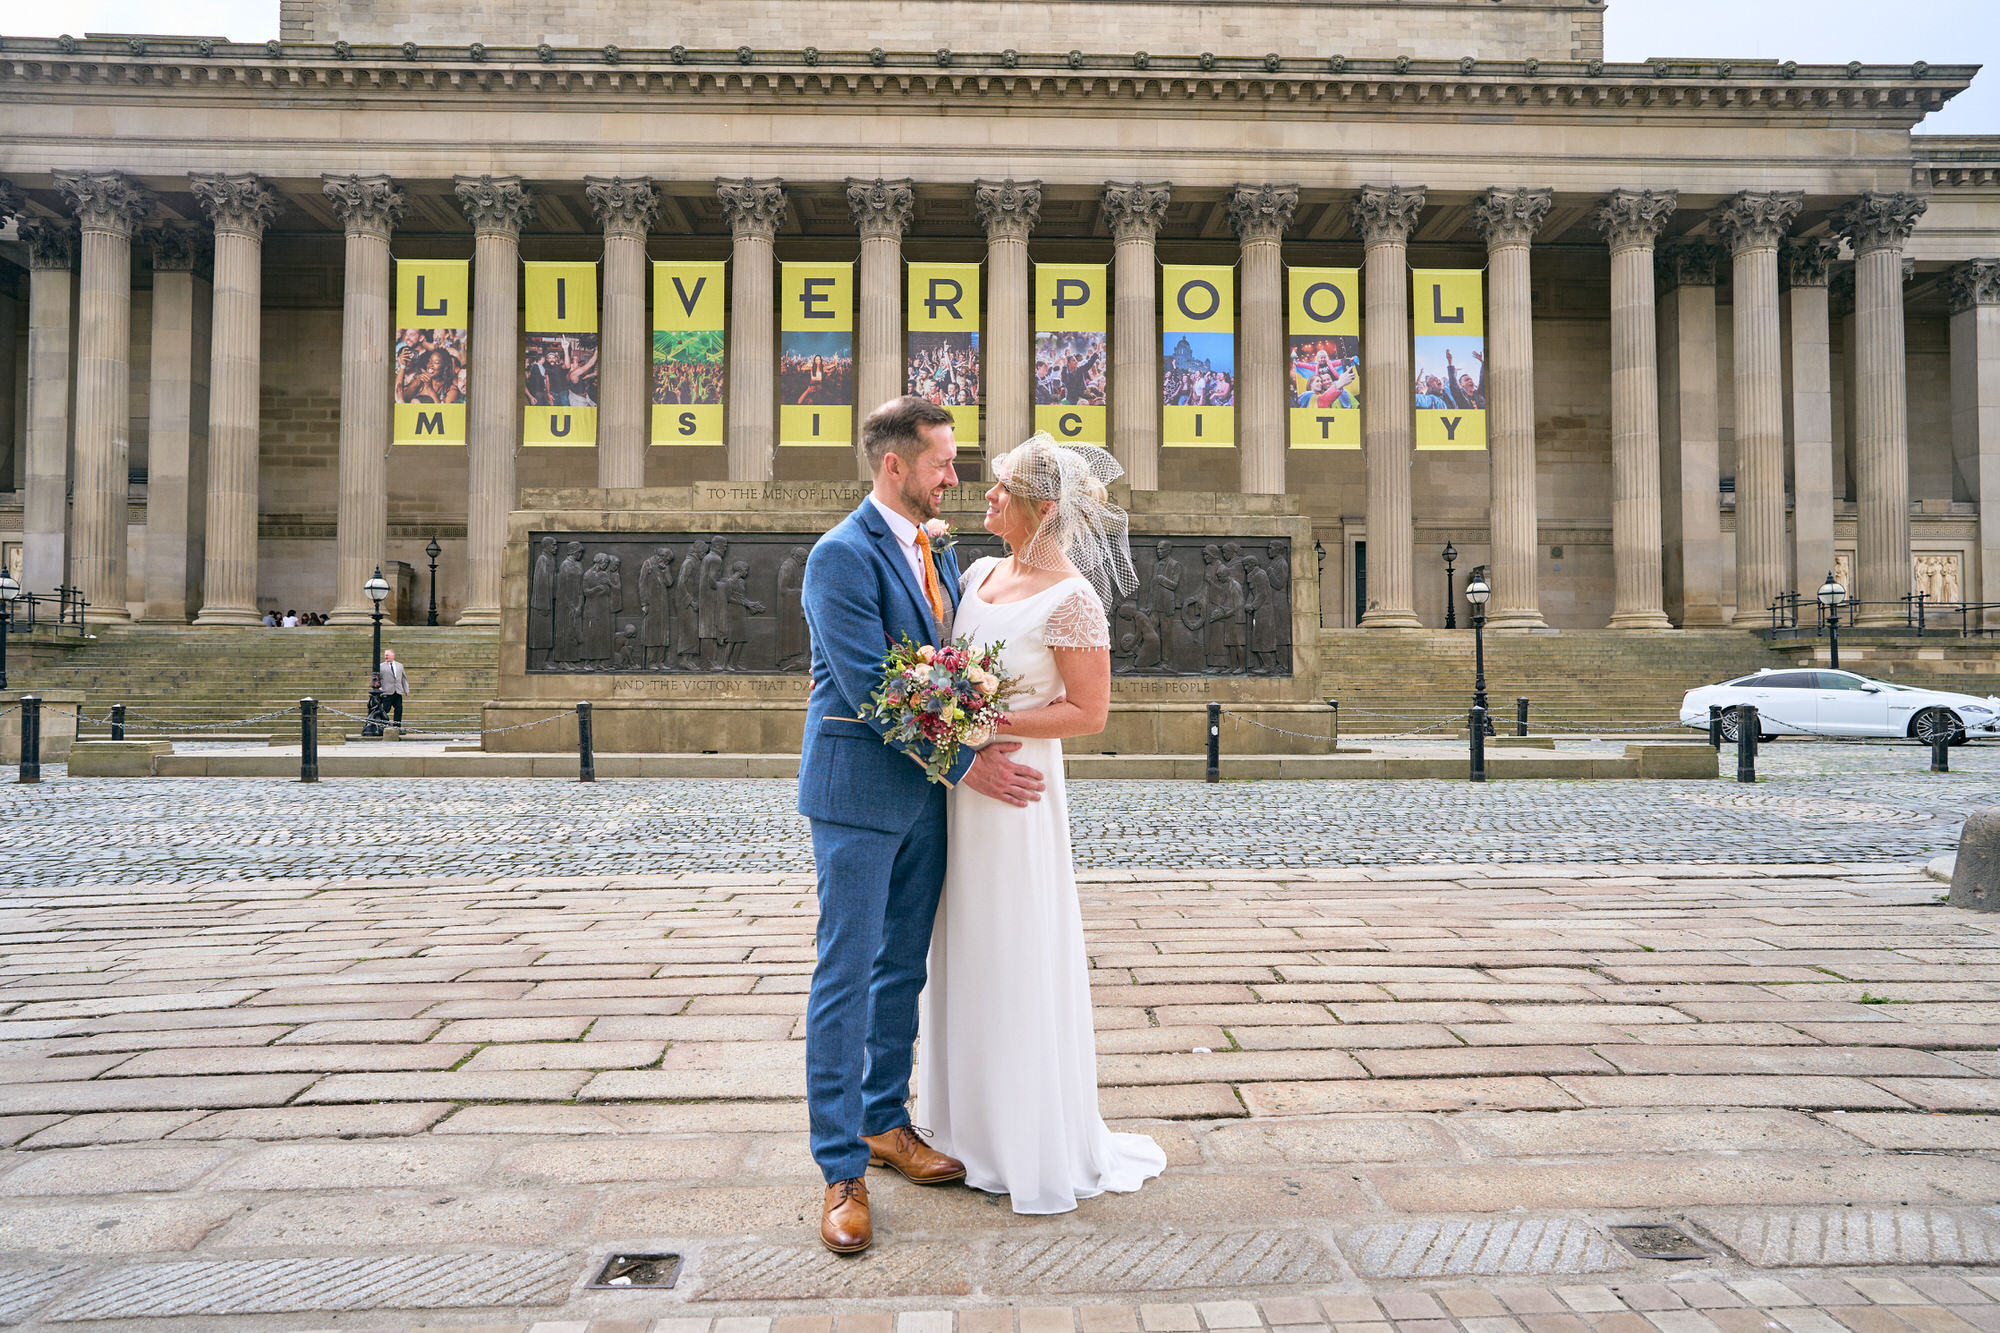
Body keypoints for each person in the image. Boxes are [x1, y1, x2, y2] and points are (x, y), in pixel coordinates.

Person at [797, 396, 1045, 1256]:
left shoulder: (936, 548)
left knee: (901, 967)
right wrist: (971, 762)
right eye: (942, 461)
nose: (955, 475)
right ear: (895, 465)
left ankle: (883, 1123)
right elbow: (873, 686)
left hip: (922, 800)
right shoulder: (839, 556)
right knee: (847, 974)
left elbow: (942, 668)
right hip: (859, 792)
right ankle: (840, 1170)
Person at [921, 431, 1166, 1217]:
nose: (985, 498)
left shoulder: (1073, 599)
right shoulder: (981, 570)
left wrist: (987, 719)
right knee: (959, 943)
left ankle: (1024, 1137)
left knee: (1012, 941)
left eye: (1000, 491)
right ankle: (963, 1123)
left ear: (1042, 509)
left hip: (1017, 792)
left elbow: (1088, 711)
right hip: (963, 788)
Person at [376, 649, 410, 726]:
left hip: (397, 691)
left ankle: (397, 727)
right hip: (386, 691)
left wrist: (406, 689)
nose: (385, 657)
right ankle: (383, 725)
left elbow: (404, 678)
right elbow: (377, 678)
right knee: (385, 709)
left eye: (387, 655)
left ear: (392, 656)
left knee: (399, 709)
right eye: (385, 655)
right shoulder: (381, 666)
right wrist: (380, 689)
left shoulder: (399, 665)